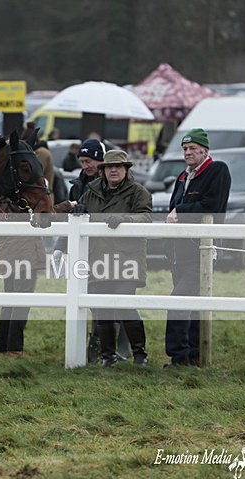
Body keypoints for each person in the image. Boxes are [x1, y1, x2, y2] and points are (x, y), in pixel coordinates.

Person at [71, 150, 153, 366]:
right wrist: (79, 211)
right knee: (101, 309)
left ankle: (139, 355)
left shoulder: (138, 192)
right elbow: (80, 211)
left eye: (118, 166)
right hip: (97, 258)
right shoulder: (91, 191)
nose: (114, 170)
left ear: (126, 169)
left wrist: (124, 219)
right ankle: (108, 357)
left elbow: (145, 217)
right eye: (109, 167)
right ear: (103, 170)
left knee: (126, 305)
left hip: (127, 259)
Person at [164, 128, 231, 367]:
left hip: (199, 251)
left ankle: (179, 356)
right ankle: (191, 355)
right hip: (177, 251)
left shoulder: (217, 170)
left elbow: (212, 205)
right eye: (185, 149)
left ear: (205, 150)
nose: (188, 153)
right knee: (188, 305)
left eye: (193, 148)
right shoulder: (183, 176)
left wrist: (180, 212)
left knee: (178, 302)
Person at [0, 221, 47, 357]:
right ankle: (14, 348)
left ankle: (2, 347)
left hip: (6, 252)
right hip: (26, 253)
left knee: (9, 302)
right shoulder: (27, 202)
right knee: (21, 302)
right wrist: (68, 205)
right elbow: (44, 214)